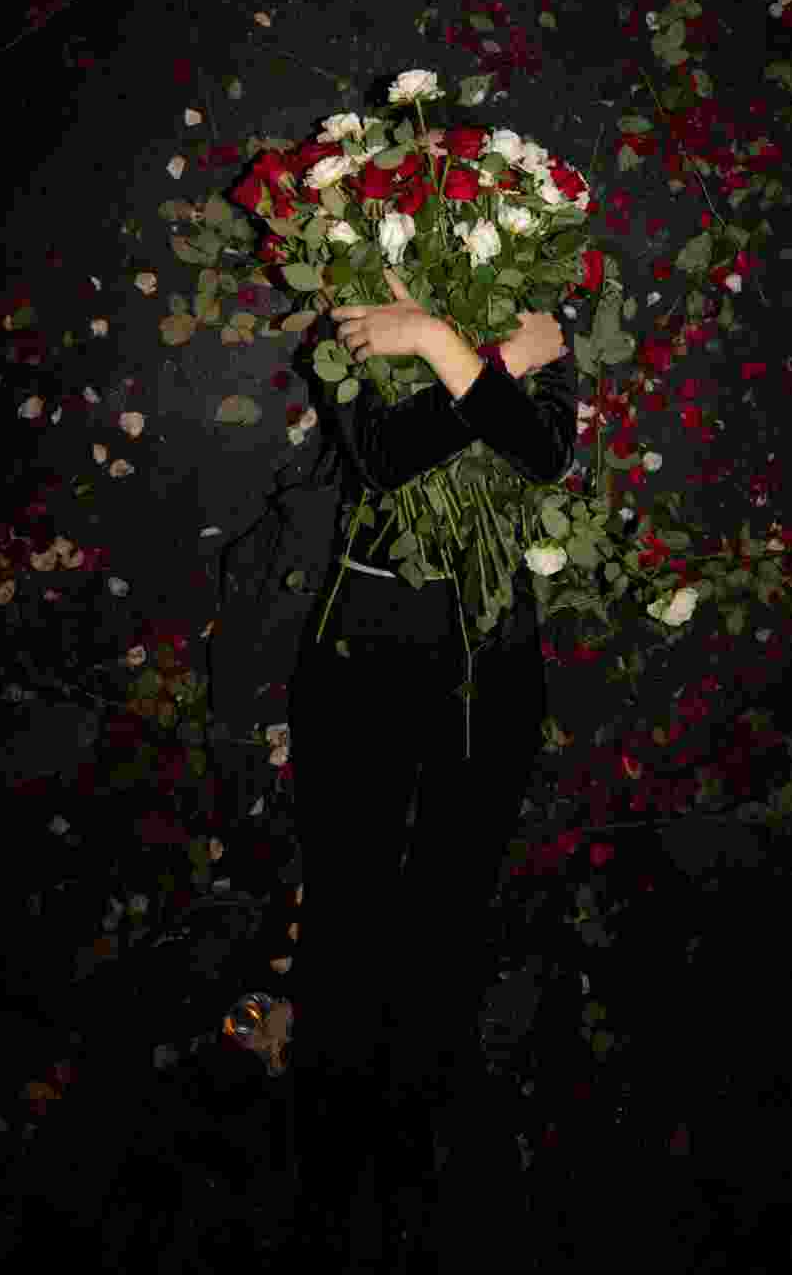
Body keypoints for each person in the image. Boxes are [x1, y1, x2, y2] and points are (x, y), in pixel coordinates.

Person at [285, 280, 578, 1252]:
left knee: (449, 912)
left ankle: (415, 1160)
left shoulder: (531, 308)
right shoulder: (354, 311)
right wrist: (483, 364)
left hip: (491, 663)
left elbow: (541, 457)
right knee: (347, 913)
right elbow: (383, 460)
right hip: (364, 661)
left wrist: (451, 349)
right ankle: (326, 1178)